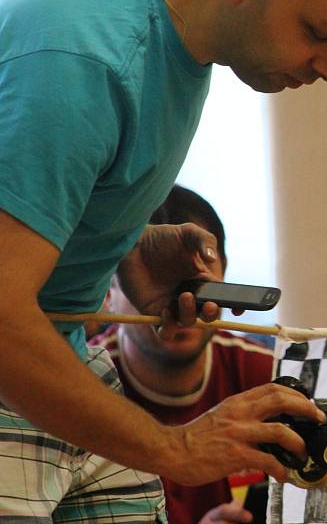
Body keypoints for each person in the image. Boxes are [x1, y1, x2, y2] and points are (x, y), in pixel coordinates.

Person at [0, 0, 327, 520]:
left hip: (49, 348)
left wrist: (121, 244)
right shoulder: (86, 62)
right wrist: (179, 446)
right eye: (321, 33)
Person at [91, 184, 275, 524]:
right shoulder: (79, 386)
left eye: (195, 282)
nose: (180, 305)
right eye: (156, 279)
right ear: (108, 290)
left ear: (224, 273)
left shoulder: (265, 377)